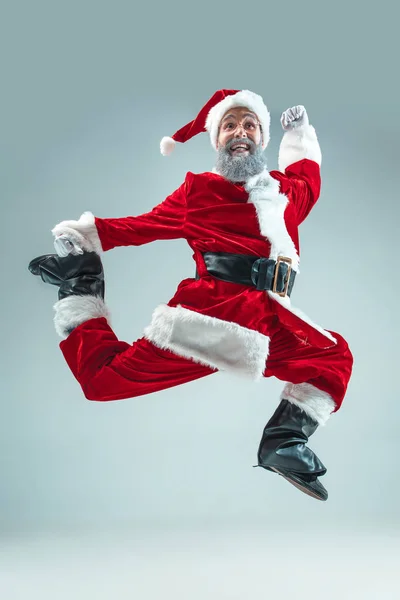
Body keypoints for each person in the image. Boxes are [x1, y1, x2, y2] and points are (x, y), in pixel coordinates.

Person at [29, 89, 353, 501]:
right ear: (217, 140)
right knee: (102, 383)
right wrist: (85, 237)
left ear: (261, 138)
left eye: (249, 124)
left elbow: (308, 175)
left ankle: (283, 443)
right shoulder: (199, 192)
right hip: (209, 320)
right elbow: (142, 225)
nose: (240, 131)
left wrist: (300, 132)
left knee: (332, 359)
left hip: (270, 319)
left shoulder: (285, 193)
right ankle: (79, 284)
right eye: (230, 125)